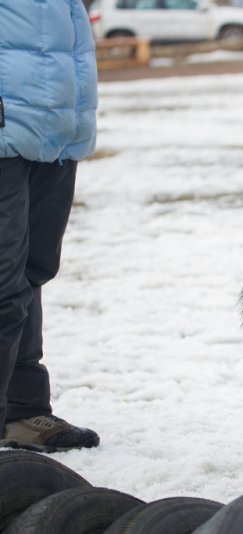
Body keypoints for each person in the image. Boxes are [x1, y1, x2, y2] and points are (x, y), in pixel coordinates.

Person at [0, 0, 100, 452]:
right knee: (3, 286)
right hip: (7, 127)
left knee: (31, 273)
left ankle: (21, 411)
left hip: (54, 130)